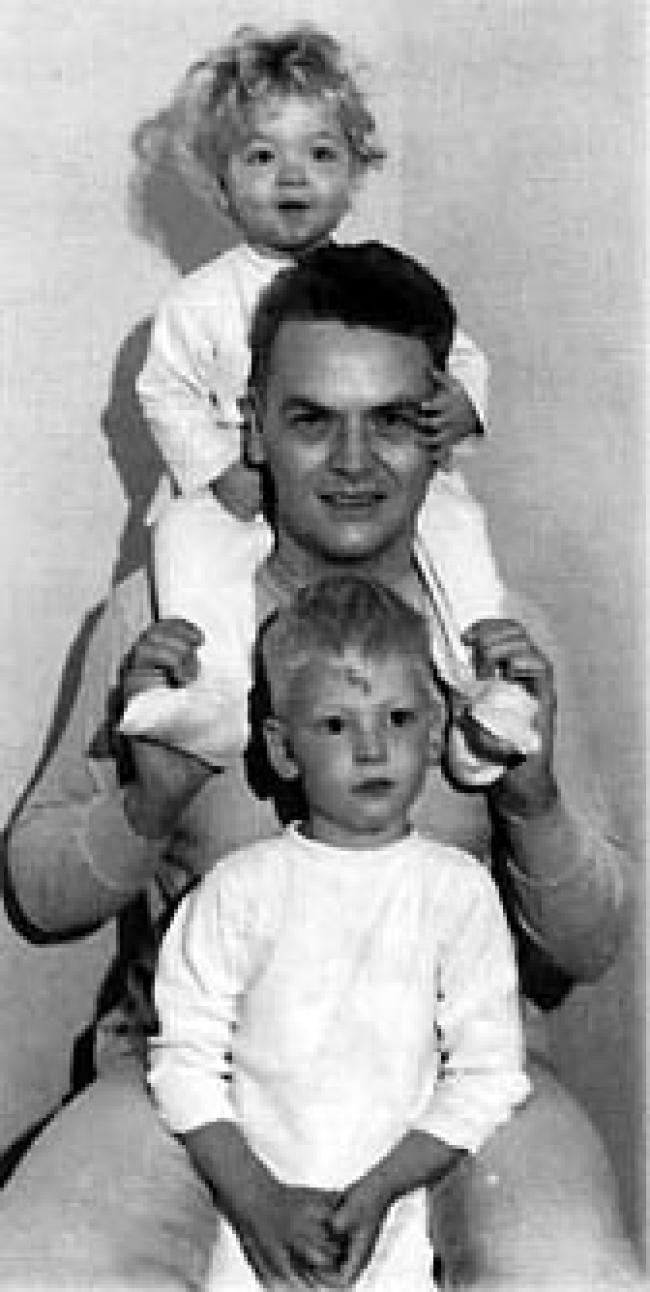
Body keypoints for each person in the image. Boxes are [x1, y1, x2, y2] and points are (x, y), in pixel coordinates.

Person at [0, 244, 639, 1290]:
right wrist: (146, 798)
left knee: (568, 1266)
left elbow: (594, 937)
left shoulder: (502, 637)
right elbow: (38, 893)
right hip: (191, 1079)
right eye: (310, 419)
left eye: (390, 419)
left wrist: (533, 803)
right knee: (36, 1262)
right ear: (252, 424)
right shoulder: (162, 621)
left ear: (439, 429)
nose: (353, 461)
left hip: (464, 1088)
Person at [148, 575, 531, 1291]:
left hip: (398, 1230)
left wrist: (383, 1188)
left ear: (437, 730)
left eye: (398, 719)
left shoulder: (455, 892)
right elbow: (185, 1061)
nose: (371, 749)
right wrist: (258, 1200)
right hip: (250, 1228)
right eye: (334, 725)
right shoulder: (237, 890)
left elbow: (487, 1072)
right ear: (283, 747)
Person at [135, 24, 504, 645]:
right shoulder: (197, 302)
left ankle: (479, 662)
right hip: (240, 485)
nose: (293, 177)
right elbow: (164, 392)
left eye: (321, 154)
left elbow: (457, 353)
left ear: (355, 174)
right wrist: (219, 468)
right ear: (220, 184)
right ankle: (204, 693)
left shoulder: (382, 285)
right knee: (189, 551)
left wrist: (463, 403)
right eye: (262, 157)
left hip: (364, 483)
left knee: (455, 525)